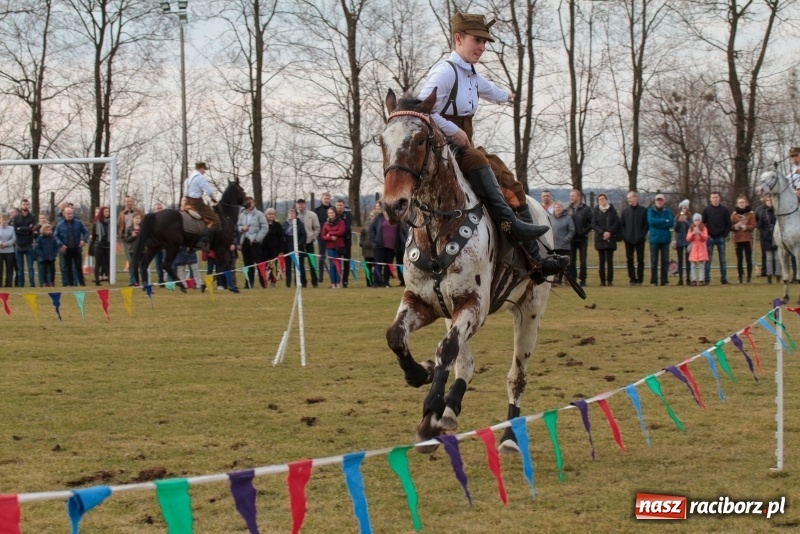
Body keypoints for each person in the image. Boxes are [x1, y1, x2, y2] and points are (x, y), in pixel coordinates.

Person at [417, 12, 567, 281]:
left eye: (485, 42)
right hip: (443, 151)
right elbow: (422, 110)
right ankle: (511, 226)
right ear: (459, 38)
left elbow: (490, 90)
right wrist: (454, 131)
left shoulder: (470, 74)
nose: (482, 47)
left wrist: (508, 96)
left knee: (506, 176)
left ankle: (535, 257)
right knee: (478, 159)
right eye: (478, 40)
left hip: (463, 147)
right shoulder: (445, 72)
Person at [183, 161, 220, 248]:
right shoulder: (200, 178)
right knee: (215, 221)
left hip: (187, 203)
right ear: (201, 168)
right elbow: (209, 191)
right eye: (204, 170)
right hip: (197, 203)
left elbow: (185, 192)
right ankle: (202, 240)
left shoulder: (188, 179)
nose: (204, 172)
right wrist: (213, 198)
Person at [619, 191, 649, 286]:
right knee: (630, 260)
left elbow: (646, 225)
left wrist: (642, 235)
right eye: (628, 199)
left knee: (640, 260)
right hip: (628, 240)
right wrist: (625, 236)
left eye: (631, 198)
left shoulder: (643, 210)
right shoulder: (625, 211)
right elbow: (622, 225)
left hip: (640, 239)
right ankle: (632, 279)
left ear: (636, 198)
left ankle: (640, 279)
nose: (629, 200)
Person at [237, 197, 268, 288]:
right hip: (245, 241)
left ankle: (263, 283)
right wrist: (242, 228)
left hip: (255, 241)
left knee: (259, 263)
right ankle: (249, 284)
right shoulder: (242, 215)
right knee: (247, 263)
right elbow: (238, 226)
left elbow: (265, 227)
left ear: (253, 203)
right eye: (246, 202)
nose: (248, 204)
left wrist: (257, 238)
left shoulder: (259, 214)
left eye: (250, 202)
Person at [702, 191, 731, 284]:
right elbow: (703, 224)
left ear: (719, 198)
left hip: (720, 237)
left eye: (716, 197)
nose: (715, 199)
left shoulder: (725, 210)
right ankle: (706, 279)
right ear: (710, 199)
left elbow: (728, 224)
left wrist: (725, 234)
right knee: (708, 259)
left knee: (722, 259)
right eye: (713, 197)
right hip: (710, 238)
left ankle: (723, 278)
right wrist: (707, 234)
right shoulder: (706, 210)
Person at [55, 206, 88, 286]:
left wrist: (83, 240)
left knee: (78, 267)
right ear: (64, 214)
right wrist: (61, 244)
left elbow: (85, 232)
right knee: (68, 267)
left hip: (76, 248)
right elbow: (56, 236)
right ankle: (70, 284)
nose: (70, 215)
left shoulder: (78, 223)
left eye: (71, 213)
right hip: (66, 248)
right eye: (68, 214)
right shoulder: (60, 225)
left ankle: (82, 283)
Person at [566, 189, 593, 286]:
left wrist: (584, 232)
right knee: (571, 260)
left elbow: (591, 223)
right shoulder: (568, 209)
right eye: (570, 196)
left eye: (573, 196)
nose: (571, 198)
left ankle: (583, 279)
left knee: (583, 260)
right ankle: (573, 279)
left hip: (582, 239)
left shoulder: (586, 209)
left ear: (578, 197)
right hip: (571, 239)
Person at [116, 196, 144, 285]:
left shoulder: (138, 211)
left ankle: (143, 280)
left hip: (138, 236)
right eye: (127, 201)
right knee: (131, 260)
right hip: (127, 238)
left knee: (140, 260)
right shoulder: (121, 214)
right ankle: (133, 280)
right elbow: (119, 226)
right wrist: (120, 236)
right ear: (125, 203)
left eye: (131, 201)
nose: (129, 203)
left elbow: (144, 221)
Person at [592, 193, 619, 287]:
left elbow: (616, 223)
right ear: (598, 201)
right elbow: (594, 224)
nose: (602, 200)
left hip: (610, 239)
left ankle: (610, 281)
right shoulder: (596, 212)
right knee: (601, 261)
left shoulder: (612, 211)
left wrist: (609, 232)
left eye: (603, 199)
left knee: (610, 261)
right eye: (600, 199)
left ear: (606, 200)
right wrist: (602, 232)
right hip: (600, 239)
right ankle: (602, 281)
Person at [647, 193, 674, 286]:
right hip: (654, 240)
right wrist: (664, 220)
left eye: (661, 200)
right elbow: (651, 222)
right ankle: (653, 281)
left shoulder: (668, 212)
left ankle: (664, 281)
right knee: (654, 262)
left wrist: (658, 222)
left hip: (665, 240)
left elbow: (671, 222)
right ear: (655, 201)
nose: (659, 202)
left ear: (664, 201)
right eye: (658, 200)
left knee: (665, 261)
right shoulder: (650, 211)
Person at [731, 194, 756, 284]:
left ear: (746, 203)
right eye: (740, 203)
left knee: (748, 259)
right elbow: (731, 226)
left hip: (748, 239)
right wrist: (736, 226)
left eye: (743, 202)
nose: (741, 204)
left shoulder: (751, 214)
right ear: (737, 204)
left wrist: (746, 227)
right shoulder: (734, 215)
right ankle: (740, 277)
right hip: (738, 239)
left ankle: (749, 278)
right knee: (739, 259)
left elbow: (753, 226)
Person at [296, 198, 320, 288]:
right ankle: (303, 282)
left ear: (305, 204)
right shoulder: (295, 215)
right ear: (296, 205)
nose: (300, 206)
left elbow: (317, 228)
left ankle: (314, 282)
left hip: (309, 242)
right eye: (299, 204)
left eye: (302, 204)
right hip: (298, 243)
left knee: (312, 263)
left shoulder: (312, 215)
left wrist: (313, 238)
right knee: (300, 263)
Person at [13, 199, 36, 287]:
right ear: (21, 205)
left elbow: (32, 229)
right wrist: (27, 229)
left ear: (28, 205)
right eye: (24, 204)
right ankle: (21, 285)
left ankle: (32, 284)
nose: (25, 206)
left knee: (30, 267)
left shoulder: (32, 217)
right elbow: (16, 230)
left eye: (27, 204)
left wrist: (21, 228)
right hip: (19, 245)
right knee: (20, 268)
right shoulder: (16, 218)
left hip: (29, 245)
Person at [322, 206, 346, 288]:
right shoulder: (325, 224)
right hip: (330, 246)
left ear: (335, 213)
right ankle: (333, 283)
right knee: (332, 265)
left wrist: (331, 233)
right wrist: (330, 237)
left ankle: (338, 283)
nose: (331, 214)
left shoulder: (341, 222)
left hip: (339, 246)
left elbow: (341, 232)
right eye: (329, 213)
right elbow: (323, 236)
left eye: (332, 212)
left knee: (338, 264)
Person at [757, 195, 780, 283]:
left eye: (771, 200)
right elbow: (760, 225)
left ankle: (778, 275)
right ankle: (769, 275)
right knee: (769, 258)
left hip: (777, 237)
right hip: (767, 237)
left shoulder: (777, 212)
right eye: (768, 200)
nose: (769, 202)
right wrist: (764, 234)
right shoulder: (763, 212)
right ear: (765, 202)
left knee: (778, 258)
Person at [550, 202, 574, 284]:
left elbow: (572, 231)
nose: (558, 209)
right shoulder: (551, 218)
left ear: (562, 208)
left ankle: (565, 280)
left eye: (559, 207)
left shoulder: (568, 218)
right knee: (555, 264)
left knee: (564, 265)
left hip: (564, 246)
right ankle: (556, 280)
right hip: (553, 246)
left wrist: (565, 239)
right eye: (556, 207)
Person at [283, 208, 307, 288]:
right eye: (290, 213)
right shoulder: (284, 224)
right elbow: (282, 236)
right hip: (287, 248)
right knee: (288, 267)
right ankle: (288, 284)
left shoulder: (300, 224)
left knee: (298, 266)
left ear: (296, 215)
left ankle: (300, 283)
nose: (291, 215)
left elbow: (304, 235)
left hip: (298, 248)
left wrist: (298, 245)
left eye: (293, 213)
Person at [261, 207, 284, 287]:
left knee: (273, 266)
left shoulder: (278, 225)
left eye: (273, 214)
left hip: (274, 248)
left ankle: (273, 281)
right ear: (266, 215)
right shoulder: (263, 224)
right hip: (264, 248)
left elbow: (281, 238)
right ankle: (264, 281)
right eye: (269, 214)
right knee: (264, 265)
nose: (271, 216)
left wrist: (281, 250)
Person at [314, 192, 333, 283]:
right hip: (321, 237)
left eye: (328, 198)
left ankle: (333, 276)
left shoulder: (333, 209)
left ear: (330, 199)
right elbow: (315, 224)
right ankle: (320, 277)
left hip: (332, 237)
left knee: (332, 257)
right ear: (322, 199)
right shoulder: (317, 210)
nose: (326, 200)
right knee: (322, 257)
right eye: (325, 198)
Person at [334, 198, 353, 287]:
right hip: (337, 241)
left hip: (347, 241)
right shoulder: (333, 214)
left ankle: (345, 281)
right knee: (336, 262)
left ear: (344, 206)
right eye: (337, 205)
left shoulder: (348, 215)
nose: (339, 207)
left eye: (341, 205)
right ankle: (336, 281)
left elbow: (347, 227)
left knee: (346, 262)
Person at [686, 213, 709, 286]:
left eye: (698, 220)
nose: (697, 222)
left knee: (702, 266)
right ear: (693, 221)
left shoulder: (704, 228)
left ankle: (701, 279)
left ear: (701, 221)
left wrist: (699, 233)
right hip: (694, 249)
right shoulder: (690, 229)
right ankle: (693, 279)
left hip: (702, 249)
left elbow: (705, 238)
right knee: (693, 266)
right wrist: (693, 233)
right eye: (696, 220)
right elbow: (688, 238)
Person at [90, 206, 111, 286]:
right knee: (98, 263)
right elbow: (94, 235)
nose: (107, 213)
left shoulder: (110, 223)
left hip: (108, 245)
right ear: (102, 213)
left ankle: (110, 279)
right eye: (105, 211)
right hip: (99, 246)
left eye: (108, 211)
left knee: (108, 264)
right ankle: (97, 280)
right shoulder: (97, 223)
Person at [673, 204, 691, 286]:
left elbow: (691, 228)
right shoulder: (677, 218)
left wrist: (686, 222)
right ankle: (680, 279)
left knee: (688, 261)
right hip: (679, 242)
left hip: (687, 241)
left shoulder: (690, 218)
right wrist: (679, 222)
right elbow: (676, 229)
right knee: (680, 261)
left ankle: (688, 278)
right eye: (682, 208)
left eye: (685, 208)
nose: (683, 210)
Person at [360, 210, 378, 287]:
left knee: (376, 267)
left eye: (372, 215)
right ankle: (369, 282)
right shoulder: (366, 224)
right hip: (366, 248)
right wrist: (361, 242)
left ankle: (376, 282)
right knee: (368, 267)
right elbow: (362, 234)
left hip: (375, 248)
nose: (371, 217)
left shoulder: (378, 224)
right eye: (370, 215)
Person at [0, 213, 15, 287]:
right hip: (0, 251)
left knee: (9, 269)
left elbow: (14, 239)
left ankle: (8, 284)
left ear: (8, 220)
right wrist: (1, 244)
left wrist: (7, 244)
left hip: (9, 251)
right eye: (3, 219)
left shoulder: (11, 228)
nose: (4, 221)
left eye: (5, 220)